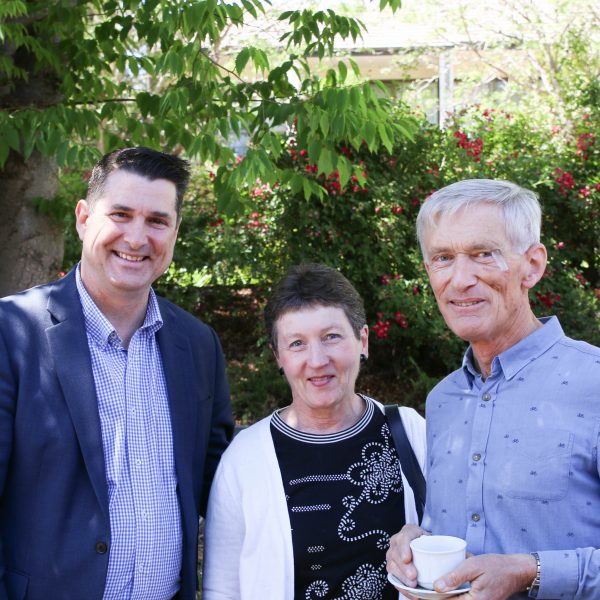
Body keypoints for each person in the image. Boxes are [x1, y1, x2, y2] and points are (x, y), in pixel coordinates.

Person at [0, 147, 234, 599]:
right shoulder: (11, 334)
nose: (136, 237)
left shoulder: (198, 345)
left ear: (174, 232)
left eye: (157, 221)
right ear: (84, 218)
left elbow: (221, 487)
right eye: (121, 214)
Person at [386, 179, 600, 599]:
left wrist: (531, 571)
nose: (460, 279)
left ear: (533, 265)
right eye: (443, 258)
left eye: (484, 254)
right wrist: (418, 539)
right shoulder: (443, 400)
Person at [202, 263, 426, 600]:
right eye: (297, 344)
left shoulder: (409, 432)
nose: (317, 360)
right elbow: (222, 589)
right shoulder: (245, 459)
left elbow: (457, 538)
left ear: (362, 341)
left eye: (331, 337)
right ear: (278, 356)